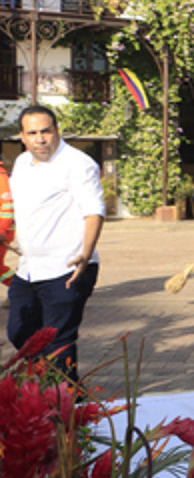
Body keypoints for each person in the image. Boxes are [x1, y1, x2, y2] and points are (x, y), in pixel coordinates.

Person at [7, 105, 105, 380]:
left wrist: (85, 255)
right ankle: (55, 388)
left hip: (68, 267)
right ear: (22, 137)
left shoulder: (78, 164)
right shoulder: (22, 163)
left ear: (56, 132)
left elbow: (94, 211)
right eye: (33, 133)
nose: (40, 138)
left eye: (46, 131)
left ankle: (64, 409)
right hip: (29, 268)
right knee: (19, 332)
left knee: (59, 343)